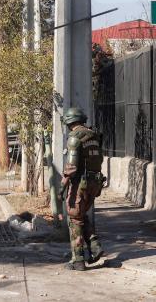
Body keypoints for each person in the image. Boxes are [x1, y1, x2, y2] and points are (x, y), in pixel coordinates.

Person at [60, 107, 105, 271]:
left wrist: (62, 186)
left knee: (74, 218)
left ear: (69, 122)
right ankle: (95, 247)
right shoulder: (93, 135)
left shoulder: (75, 137)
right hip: (94, 183)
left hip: (80, 183)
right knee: (81, 215)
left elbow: (71, 167)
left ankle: (78, 260)